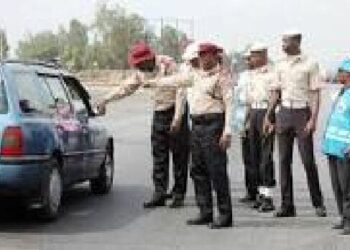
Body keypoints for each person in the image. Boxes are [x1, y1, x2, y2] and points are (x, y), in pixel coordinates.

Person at [146, 42, 233, 229]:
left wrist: (227, 131)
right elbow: (175, 81)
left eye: (204, 55)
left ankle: (225, 215)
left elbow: (230, 104)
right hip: (197, 126)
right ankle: (205, 211)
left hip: (214, 124)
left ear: (212, 56)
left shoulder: (221, 76)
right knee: (197, 170)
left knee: (216, 171)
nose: (201, 59)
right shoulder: (195, 76)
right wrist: (153, 82)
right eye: (199, 56)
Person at [96, 42, 190, 209]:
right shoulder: (141, 72)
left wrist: (177, 118)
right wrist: (105, 99)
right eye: (136, 65)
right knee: (159, 155)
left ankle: (178, 193)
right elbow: (125, 88)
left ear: (149, 59)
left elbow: (181, 90)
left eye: (140, 64)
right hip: (159, 112)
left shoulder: (168, 64)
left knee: (179, 155)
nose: (138, 67)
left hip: (176, 110)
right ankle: (159, 193)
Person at [264, 30, 327, 217]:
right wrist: (269, 115)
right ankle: (287, 205)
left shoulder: (310, 63)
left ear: (297, 41)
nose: (282, 44)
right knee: (283, 161)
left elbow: (315, 93)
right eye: (282, 40)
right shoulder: (279, 64)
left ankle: (318, 203)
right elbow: (275, 91)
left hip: (302, 113)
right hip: (283, 112)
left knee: (308, 160)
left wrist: (313, 118)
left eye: (286, 41)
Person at [322, 59, 350, 235]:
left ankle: (349, 221)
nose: (338, 74)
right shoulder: (342, 92)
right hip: (333, 146)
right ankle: (343, 216)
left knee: (347, 186)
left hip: (345, 148)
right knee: (337, 185)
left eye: (341, 71)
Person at [247, 43, 276, 212]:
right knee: (255, 157)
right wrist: (248, 119)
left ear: (264, 55)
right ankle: (260, 194)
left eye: (255, 55)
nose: (252, 59)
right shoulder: (253, 74)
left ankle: (268, 198)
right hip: (254, 112)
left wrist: (269, 118)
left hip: (266, 112)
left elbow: (274, 96)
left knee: (266, 158)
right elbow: (251, 100)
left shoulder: (271, 73)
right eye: (251, 55)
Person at [232, 50, 256, 203]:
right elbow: (238, 99)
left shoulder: (265, 75)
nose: (248, 61)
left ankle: (264, 195)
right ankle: (251, 192)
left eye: (250, 58)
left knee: (260, 161)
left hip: (256, 118)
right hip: (242, 121)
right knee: (247, 159)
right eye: (246, 59)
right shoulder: (243, 76)